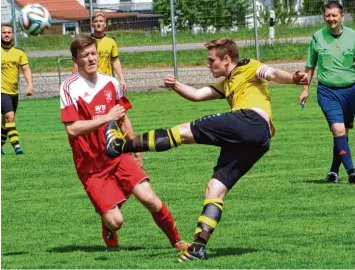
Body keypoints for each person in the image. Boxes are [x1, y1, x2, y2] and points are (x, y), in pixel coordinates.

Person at [105, 38, 308, 261]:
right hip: (256, 140)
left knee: (182, 132)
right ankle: (198, 248)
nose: (208, 64)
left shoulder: (248, 66)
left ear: (227, 59)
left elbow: (272, 74)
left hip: (250, 121)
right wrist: (176, 86)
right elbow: (197, 95)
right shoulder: (227, 83)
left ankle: (120, 145)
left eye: (212, 60)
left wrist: (293, 78)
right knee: (215, 189)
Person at [60, 35, 189, 250]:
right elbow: (72, 128)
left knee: (149, 198)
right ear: (75, 60)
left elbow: (122, 118)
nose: (92, 59)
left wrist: (136, 148)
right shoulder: (69, 88)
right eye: (85, 55)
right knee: (115, 221)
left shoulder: (111, 83)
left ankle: (177, 241)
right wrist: (105, 117)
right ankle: (108, 223)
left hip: (118, 155)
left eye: (94, 53)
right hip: (91, 166)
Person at [299, 1, 355, 184]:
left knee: (342, 134)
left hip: (350, 92)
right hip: (327, 92)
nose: (330, 19)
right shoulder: (317, 37)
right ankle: (352, 172)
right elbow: (310, 66)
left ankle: (333, 172)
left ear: (342, 17)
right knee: (337, 129)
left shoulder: (353, 37)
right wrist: (305, 89)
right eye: (327, 16)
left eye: (334, 15)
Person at [72, 12, 127, 92]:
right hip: (90, 81)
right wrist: (72, 81)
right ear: (92, 24)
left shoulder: (111, 41)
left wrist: (122, 79)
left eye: (101, 21)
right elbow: (77, 63)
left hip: (106, 81)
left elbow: (115, 61)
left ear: (105, 24)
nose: (98, 23)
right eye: (96, 21)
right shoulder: (86, 42)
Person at [1, 24, 33, 155]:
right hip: (1, 91)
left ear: (13, 35)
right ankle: (17, 146)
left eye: (9, 32)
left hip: (14, 92)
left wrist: (30, 84)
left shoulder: (19, 52)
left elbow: (25, 69)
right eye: (4, 32)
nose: (6, 34)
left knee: (6, 121)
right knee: (10, 116)